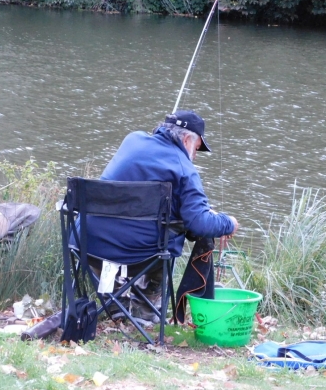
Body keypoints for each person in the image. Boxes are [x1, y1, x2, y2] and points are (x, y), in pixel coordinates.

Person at [84, 109, 238, 323]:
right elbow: (200, 223)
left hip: (89, 244)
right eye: (196, 148)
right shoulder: (185, 169)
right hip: (142, 255)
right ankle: (145, 309)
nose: (193, 155)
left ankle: (113, 301)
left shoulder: (132, 140)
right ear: (186, 140)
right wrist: (228, 223)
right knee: (168, 237)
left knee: (124, 226)